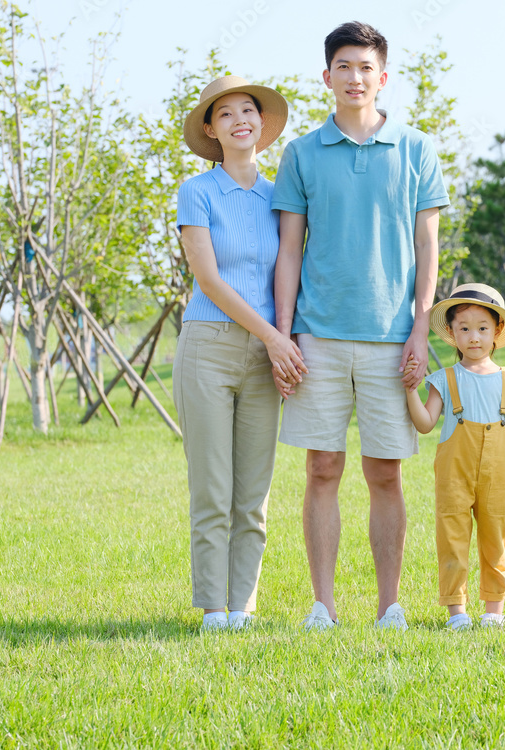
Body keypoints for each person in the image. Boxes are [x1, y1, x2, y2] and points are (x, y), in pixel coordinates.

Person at [271, 21, 449, 630]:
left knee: (385, 472)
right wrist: (284, 333)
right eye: (343, 67)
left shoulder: (417, 149)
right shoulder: (300, 153)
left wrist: (421, 330)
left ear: (383, 76)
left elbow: (429, 251)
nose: (355, 78)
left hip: (393, 336)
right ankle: (322, 605)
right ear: (327, 76)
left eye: (365, 67)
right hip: (316, 336)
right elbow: (289, 250)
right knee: (322, 469)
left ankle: (389, 606)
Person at [172, 76, 306, 631]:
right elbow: (208, 276)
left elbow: (289, 273)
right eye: (224, 114)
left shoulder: (282, 197)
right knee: (213, 486)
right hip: (207, 347)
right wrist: (275, 336)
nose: (239, 120)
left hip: (266, 354)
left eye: (247, 110)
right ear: (211, 130)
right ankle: (213, 608)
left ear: (262, 123)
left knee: (253, 491)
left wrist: (283, 340)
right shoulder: (196, 192)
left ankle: (243, 608)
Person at [403, 284, 505, 630]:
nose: (473, 337)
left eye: (482, 328)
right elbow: (425, 424)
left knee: (497, 538)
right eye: (464, 328)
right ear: (451, 333)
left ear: (497, 332)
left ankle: (494, 610)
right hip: (454, 477)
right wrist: (409, 392)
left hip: (499, 477)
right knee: (452, 538)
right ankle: (457, 611)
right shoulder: (443, 380)